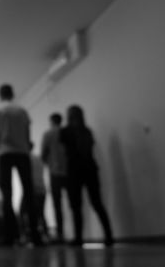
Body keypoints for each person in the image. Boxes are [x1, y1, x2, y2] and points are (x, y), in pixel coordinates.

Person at [0, 83, 42, 245]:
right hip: (22, 153)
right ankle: (35, 235)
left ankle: (10, 236)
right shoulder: (21, 111)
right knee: (29, 192)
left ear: (0, 94)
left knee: (7, 194)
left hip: (5, 152)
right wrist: (25, 146)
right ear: (12, 94)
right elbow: (27, 132)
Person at [60, 105, 114, 246]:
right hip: (89, 169)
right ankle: (108, 236)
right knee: (97, 203)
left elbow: (63, 153)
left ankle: (78, 238)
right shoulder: (87, 131)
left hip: (74, 171)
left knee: (76, 207)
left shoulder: (65, 131)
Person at [41, 113, 67, 243]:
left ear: (51, 121)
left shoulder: (48, 134)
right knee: (74, 204)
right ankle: (75, 234)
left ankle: (61, 234)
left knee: (57, 205)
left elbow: (44, 154)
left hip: (55, 172)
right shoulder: (66, 132)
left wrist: (49, 163)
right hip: (68, 171)